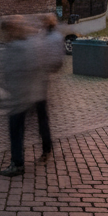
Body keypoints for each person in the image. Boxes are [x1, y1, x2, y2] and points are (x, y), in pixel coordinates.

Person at [0, 16, 47, 177]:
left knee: (15, 130)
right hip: (28, 95)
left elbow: (15, 71)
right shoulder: (30, 42)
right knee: (19, 129)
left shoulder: (17, 46)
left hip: (20, 97)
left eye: (7, 30)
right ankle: (19, 160)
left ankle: (17, 163)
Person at [33, 14, 65, 161]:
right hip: (39, 79)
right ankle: (46, 146)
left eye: (44, 21)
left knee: (40, 115)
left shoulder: (49, 37)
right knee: (41, 115)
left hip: (38, 79)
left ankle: (46, 147)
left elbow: (56, 60)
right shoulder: (48, 35)